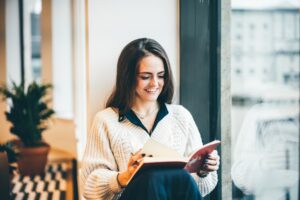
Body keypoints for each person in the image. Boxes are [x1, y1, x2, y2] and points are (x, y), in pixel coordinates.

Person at [80, 38, 220, 200]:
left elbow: (198, 189)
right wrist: (124, 177)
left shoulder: (181, 116)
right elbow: (89, 186)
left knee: (178, 176)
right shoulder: (106, 120)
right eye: (145, 76)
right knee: (151, 178)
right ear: (128, 77)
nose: (155, 83)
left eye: (161, 76)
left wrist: (203, 172)